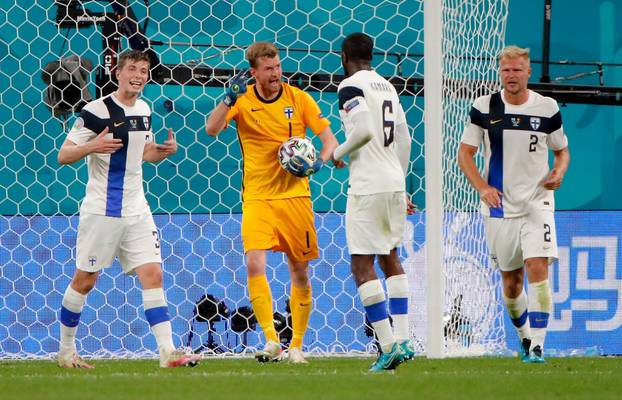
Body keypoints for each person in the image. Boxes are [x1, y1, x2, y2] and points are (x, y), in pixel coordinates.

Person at [56, 50, 200, 369]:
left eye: (144, 70)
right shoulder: (95, 111)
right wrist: (92, 146)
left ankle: (167, 352)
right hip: (103, 210)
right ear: (118, 73)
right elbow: (64, 156)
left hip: (137, 208)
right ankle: (66, 351)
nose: (138, 74)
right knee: (85, 281)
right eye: (132, 68)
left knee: (153, 273)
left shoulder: (145, 109)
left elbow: (143, 155)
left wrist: (163, 152)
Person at [205, 41, 342, 364]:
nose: (276, 73)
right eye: (269, 69)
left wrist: (319, 162)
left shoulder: (299, 98)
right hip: (258, 196)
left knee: (300, 272)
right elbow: (211, 129)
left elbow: (330, 141)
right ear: (254, 72)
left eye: (278, 67)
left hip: (295, 196)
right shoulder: (243, 100)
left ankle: (296, 345)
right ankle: (271, 340)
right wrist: (228, 98)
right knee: (254, 262)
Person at [457, 45, 570, 363]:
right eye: (506, 70)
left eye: (517, 70)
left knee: (537, 266)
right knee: (511, 282)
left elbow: (561, 151)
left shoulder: (546, 108)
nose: (511, 76)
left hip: (537, 201)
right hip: (499, 207)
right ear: (500, 72)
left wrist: (558, 173)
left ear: (528, 72)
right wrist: (482, 187)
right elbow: (465, 154)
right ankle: (524, 337)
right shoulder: (483, 107)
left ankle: (537, 346)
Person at [332, 32, 417, 372]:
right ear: (372, 56)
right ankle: (406, 338)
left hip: (367, 186)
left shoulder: (349, 86)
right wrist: (400, 180)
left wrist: (337, 153)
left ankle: (388, 345)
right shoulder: (387, 86)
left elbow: (365, 130)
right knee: (390, 257)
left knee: (361, 266)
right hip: (394, 181)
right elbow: (405, 137)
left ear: (344, 57)